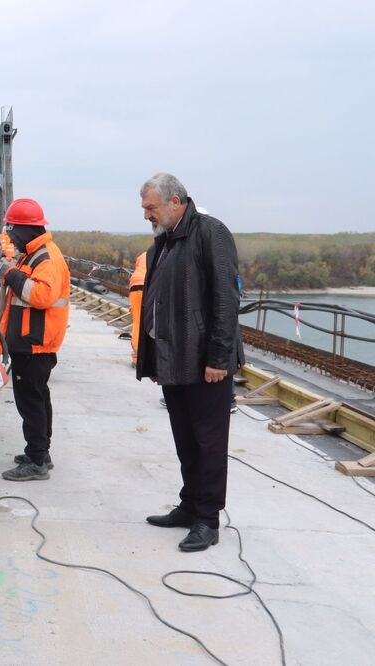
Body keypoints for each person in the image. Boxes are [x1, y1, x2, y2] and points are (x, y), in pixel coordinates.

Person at [136, 173, 243, 553]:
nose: (146, 215)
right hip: (175, 361)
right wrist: (153, 360)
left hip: (204, 364)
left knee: (208, 443)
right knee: (185, 440)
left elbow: (226, 301)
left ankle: (207, 520)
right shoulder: (163, 242)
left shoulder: (210, 233)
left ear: (175, 201)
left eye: (151, 207)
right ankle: (189, 505)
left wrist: (218, 358)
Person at [0, 198, 70, 482]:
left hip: (34, 342)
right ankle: (41, 453)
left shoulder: (45, 258)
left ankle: (36, 460)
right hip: (33, 340)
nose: (10, 235)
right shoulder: (34, 253)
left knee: (30, 402)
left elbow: (41, 295)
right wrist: (12, 272)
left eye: (12, 229)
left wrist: (11, 273)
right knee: (38, 397)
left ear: (26, 229)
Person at [128, 252, 147, 367]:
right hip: (149, 286)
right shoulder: (165, 252)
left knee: (138, 323)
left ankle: (137, 358)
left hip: (135, 287)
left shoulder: (143, 255)